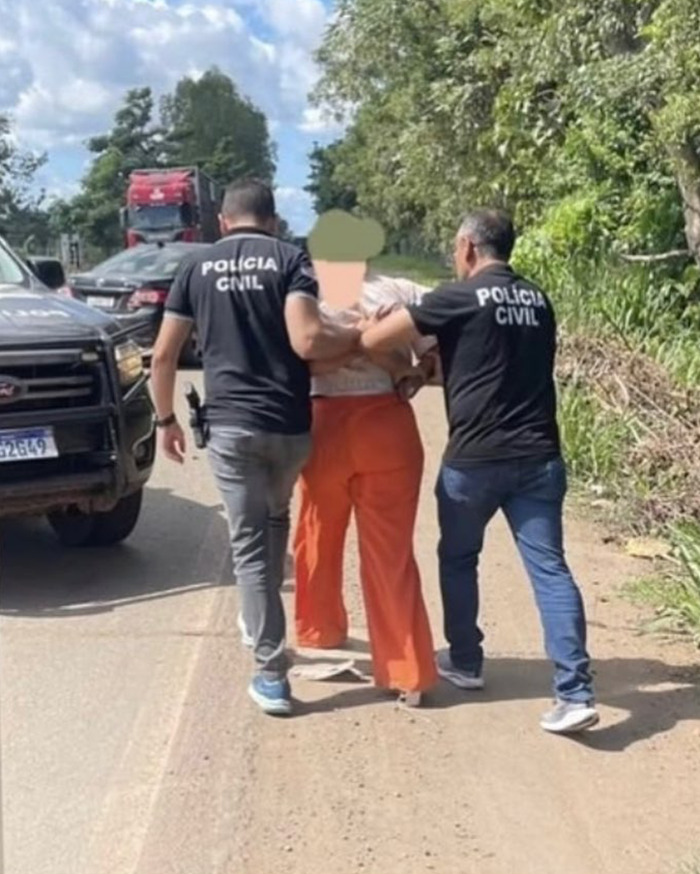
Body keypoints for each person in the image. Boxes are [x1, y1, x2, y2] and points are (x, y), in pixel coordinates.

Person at [360, 209, 598, 734]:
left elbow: (374, 342)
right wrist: (432, 368)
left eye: (454, 246)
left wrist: (400, 355)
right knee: (551, 570)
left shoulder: (454, 298)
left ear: (468, 246)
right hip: (539, 457)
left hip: (474, 461)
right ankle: (575, 692)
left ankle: (465, 661)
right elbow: (492, 361)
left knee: (458, 556)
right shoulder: (539, 300)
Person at [150, 179, 360, 717]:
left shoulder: (195, 268)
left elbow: (163, 357)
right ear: (272, 220)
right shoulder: (291, 260)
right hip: (289, 427)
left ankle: (270, 672)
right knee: (273, 520)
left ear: (223, 221)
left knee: (248, 548)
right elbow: (308, 341)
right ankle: (259, 619)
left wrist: (166, 419)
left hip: (232, 430)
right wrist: (359, 339)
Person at [294, 216, 439, 703]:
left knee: (316, 534)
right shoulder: (399, 291)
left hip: (323, 427)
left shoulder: (304, 295)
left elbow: (300, 357)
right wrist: (404, 368)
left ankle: (319, 634)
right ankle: (409, 672)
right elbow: (434, 357)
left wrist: (344, 345)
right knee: (391, 554)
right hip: (388, 427)